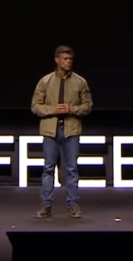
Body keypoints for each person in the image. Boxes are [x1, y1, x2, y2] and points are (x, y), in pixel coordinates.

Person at [30, 46, 92, 219]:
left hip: (71, 130)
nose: (68, 62)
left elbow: (87, 106)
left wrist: (72, 109)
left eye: (70, 59)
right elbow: (35, 106)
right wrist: (53, 110)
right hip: (50, 130)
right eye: (65, 59)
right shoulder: (45, 81)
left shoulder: (80, 82)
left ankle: (72, 204)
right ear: (57, 60)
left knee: (71, 169)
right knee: (48, 168)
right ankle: (46, 205)